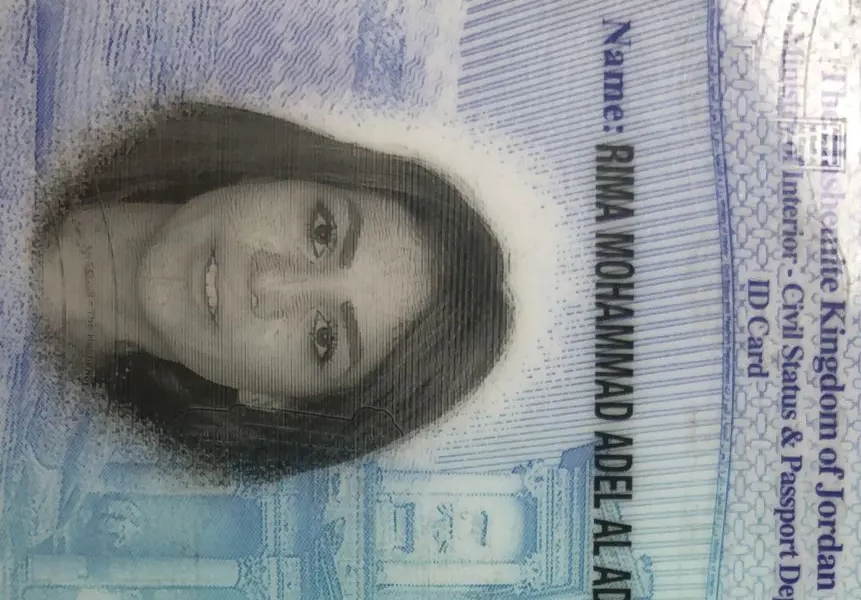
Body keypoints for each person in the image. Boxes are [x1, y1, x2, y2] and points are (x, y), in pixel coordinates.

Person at [38, 103, 511, 475]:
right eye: (322, 233)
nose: (269, 283)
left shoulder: (44, 470)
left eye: (323, 338)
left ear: (274, 402)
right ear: (281, 172)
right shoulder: (60, 101)